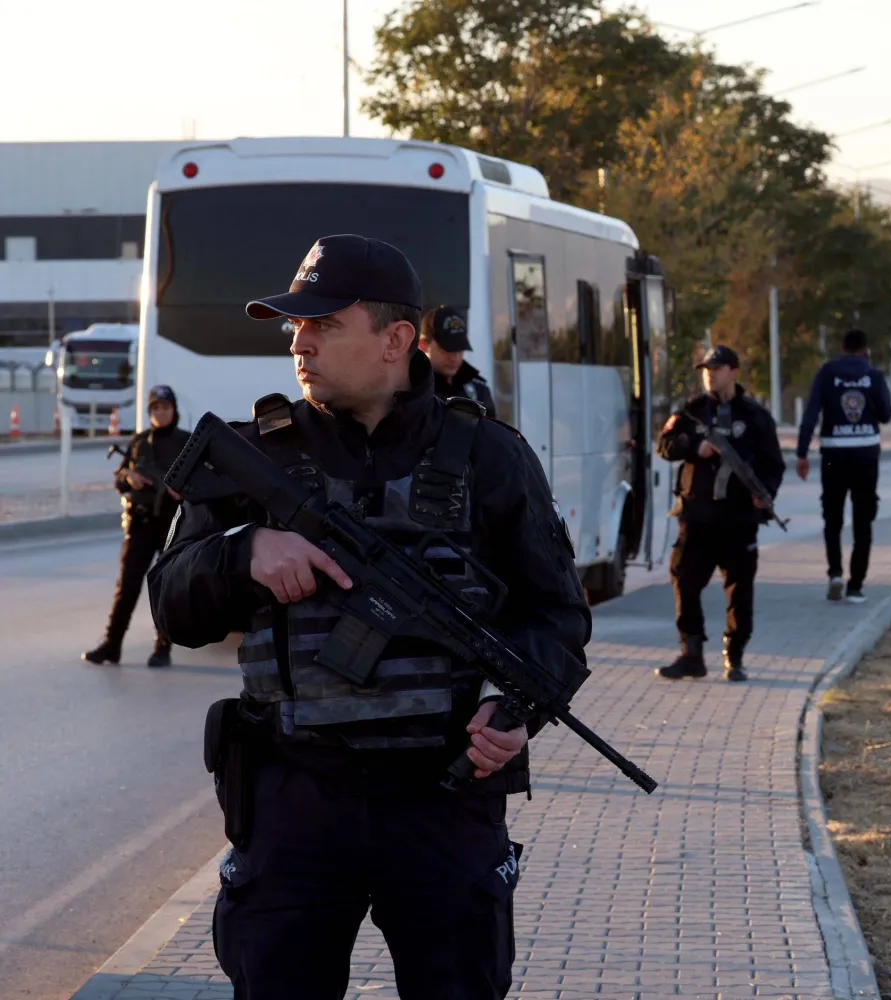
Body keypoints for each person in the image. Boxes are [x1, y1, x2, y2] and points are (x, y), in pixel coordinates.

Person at [146, 234, 589, 1000]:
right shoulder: (253, 456)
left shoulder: (490, 457)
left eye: (324, 324)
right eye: (294, 327)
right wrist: (242, 552)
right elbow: (172, 604)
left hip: (443, 800)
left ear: (396, 341)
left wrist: (512, 707)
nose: (300, 342)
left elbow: (557, 615)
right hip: (294, 800)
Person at [654, 346, 784, 682]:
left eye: (717, 367)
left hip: (738, 520)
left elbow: (773, 465)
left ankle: (734, 656)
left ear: (734, 372)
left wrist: (765, 495)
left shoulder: (755, 416)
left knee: (740, 590)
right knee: (684, 580)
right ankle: (691, 653)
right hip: (697, 516)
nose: (710, 373)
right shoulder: (692, 411)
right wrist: (695, 448)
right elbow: (664, 445)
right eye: (706, 368)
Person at [83, 384, 190, 667]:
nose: (160, 413)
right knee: (126, 587)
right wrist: (129, 477)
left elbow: (201, 481)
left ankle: (162, 647)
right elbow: (119, 477)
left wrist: (179, 491)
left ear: (174, 410)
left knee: (165, 588)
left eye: (165, 408)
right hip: (140, 523)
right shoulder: (140, 441)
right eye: (155, 408)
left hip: (170, 526)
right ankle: (112, 644)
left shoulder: (186, 442)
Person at [795, 329, 891, 605]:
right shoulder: (873, 376)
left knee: (832, 516)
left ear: (841, 347)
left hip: (832, 455)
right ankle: (856, 586)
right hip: (866, 455)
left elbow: (811, 414)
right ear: (866, 350)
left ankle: (835, 573)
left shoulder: (827, 373)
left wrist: (802, 453)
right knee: (863, 520)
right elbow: (886, 415)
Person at [421, 304, 497, 415]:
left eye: (459, 349)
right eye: (446, 349)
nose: (454, 358)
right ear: (423, 345)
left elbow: (492, 431)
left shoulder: (479, 391)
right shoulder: (413, 390)